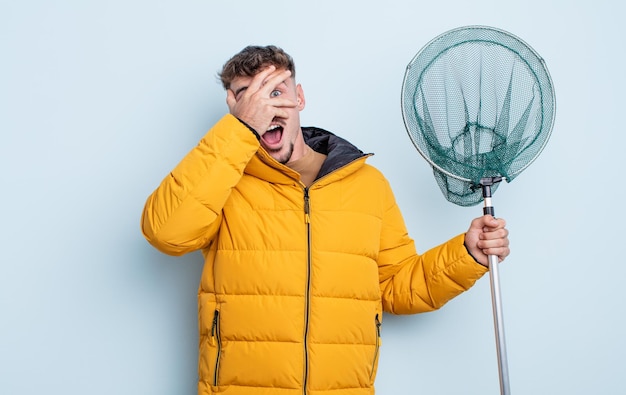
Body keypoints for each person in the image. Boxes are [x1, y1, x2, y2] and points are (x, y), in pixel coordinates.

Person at [141, 45, 510, 395]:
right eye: (248, 96)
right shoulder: (222, 182)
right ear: (235, 108)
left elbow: (398, 287)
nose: (263, 108)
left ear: (298, 98)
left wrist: (466, 254)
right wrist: (238, 132)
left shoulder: (367, 184)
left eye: (274, 92)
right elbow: (166, 233)